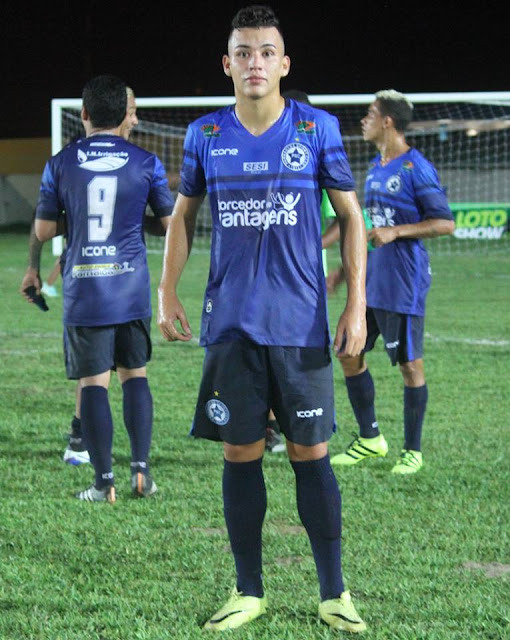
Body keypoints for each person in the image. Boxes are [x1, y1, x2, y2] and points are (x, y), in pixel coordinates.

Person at [158, 5, 367, 632]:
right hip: (232, 324)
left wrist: (355, 303)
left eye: (266, 52)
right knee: (240, 452)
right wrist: (166, 290)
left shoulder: (317, 128)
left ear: (284, 64)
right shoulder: (205, 134)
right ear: (227, 64)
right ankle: (248, 590)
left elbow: (351, 217)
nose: (256, 62)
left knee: (311, 451)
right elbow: (182, 216)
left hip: (300, 324)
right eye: (244, 52)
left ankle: (334, 592)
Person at [34, 74, 174, 501]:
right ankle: (141, 471)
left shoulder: (60, 163)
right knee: (135, 376)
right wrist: (132, 220)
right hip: (130, 286)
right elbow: (169, 224)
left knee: (93, 383)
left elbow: (43, 230)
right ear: (124, 114)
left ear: (84, 114)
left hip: (86, 288)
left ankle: (103, 482)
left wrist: (75, 217)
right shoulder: (146, 161)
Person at [331, 89, 455, 474]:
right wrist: (344, 273)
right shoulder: (375, 167)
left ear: (387, 121)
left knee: (409, 366)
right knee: (348, 353)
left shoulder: (416, 168)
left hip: (403, 282)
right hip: (371, 282)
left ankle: (412, 451)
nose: (364, 120)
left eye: (370, 113)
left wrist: (397, 232)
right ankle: (370, 439)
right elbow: (369, 230)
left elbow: (445, 223)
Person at [20, 86, 143, 467]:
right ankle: (127, 460)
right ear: (118, 113)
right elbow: (47, 222)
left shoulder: (75, 160)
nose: (135, 118)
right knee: (120, 374)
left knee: (98, 372)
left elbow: (44, 225)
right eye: (132, 110)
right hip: (118, 282)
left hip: (95, 281)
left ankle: (89, 448)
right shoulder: (131, 162)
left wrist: (36, 268)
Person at [265, 88, 341, 454]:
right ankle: (269, 427)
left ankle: (296, 424)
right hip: (263, 280)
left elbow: (344, 220)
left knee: (299, 358)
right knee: (263, 349)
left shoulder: (316, 163)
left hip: (305, 282)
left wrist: (314, 246)